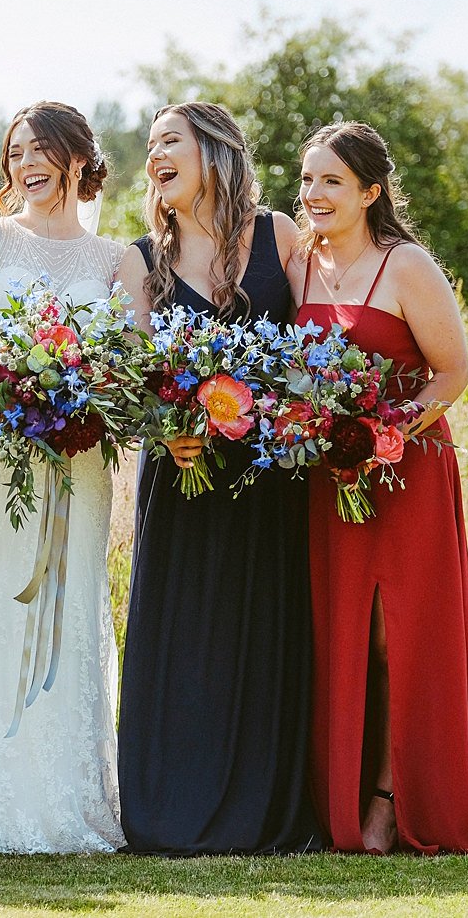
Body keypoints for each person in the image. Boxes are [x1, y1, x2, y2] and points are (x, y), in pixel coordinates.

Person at [292, 120, 468, 855]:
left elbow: (452, 373)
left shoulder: (406, 265)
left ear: (369, 190)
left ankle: (393, 796)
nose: (314, 193)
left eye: (331, 180)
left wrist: (385, 432)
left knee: (396, 635)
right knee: (340, 630)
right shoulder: (297, 263)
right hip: (328, 481)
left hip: (405, 470)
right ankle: (335, 795)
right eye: (306, 179)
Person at [113, 101, 321, 855]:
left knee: (263, 629)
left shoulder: (279, 236)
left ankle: (267, 807)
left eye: (168, 141)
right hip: (183, 475)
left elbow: (314, 342)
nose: (153, 155)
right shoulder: (141, 259)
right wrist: (167, 425)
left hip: (266, 478)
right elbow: (132, 373)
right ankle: (172, 805)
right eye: (148, 146)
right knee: (188, 638)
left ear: (214, 152)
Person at [0, 101, 125, 854]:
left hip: (79, 463)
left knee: (73, 607)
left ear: (78, 159)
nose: (25, 163)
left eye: (40, 148)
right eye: (14, 150)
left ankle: (70, 799)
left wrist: (79, 393)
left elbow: (132, 365)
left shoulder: (120, 259)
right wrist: (10, 391)